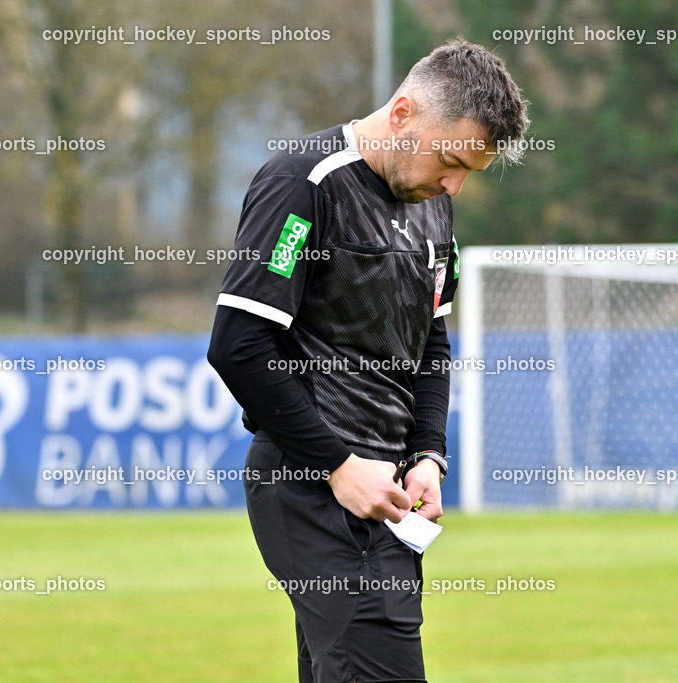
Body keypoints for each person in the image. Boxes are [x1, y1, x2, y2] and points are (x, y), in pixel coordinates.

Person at [207, 39, 529, 683]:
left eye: (470, 171)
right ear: (403, 113)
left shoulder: (433, 204)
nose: (454, 184)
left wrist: (428, 454)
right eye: (451, 160)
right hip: (311, 482)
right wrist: (338, 465)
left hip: (383, 493)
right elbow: (239, 345)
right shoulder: (303, 182)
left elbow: (431, 343)